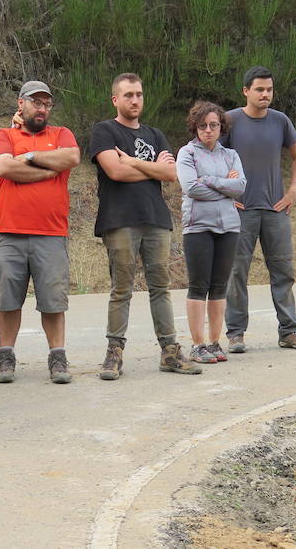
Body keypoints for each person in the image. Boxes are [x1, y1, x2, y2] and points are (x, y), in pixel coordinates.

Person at [89, 72, 199, 379]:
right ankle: (114, 353)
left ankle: (170, 351)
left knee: (160, 287)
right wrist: (154, 168)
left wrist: (134, 162)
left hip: (155, 219)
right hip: (119, 219)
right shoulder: (104, 131)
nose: (135, 100)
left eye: (138, 94)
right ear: (116, 99)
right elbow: (115, 172)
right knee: (121, 288)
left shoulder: (154, 134)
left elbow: (171, 174)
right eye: (128, 95)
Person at [0, 80, 80, 383]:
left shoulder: (61, 134)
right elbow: (3, 168)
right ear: (21, 104)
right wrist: (47, 171)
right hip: (10, 232)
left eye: (46, 103)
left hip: (51, 233)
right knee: (8, 300)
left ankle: (58, 358)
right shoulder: (4, 135)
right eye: (36, 102)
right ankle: (5, 358)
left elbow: (71, 158)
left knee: (53, 301)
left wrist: (27, 157)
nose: (42, 108)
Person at [222, 66, 296, 352]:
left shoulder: (280, 121)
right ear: (245, 91)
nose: (265, 94)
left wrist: (293, 191)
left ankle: (290, 331)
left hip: (276, 210)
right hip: (241, 210)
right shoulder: (230, 121)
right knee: (236, 273)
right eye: (259, 89)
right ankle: (235, 334)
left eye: (269, 89)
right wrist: (225, 194)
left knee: (283, 271)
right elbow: (210, 156)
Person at [176, 101, 246, 363]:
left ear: (221, 127)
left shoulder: (231, 155)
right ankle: (198, 345)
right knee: (198, 285)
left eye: (213, 125)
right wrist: (223, 188)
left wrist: (211, 180)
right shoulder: (187, 153)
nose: (208, 130)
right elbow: (191, 188)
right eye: (203, 125)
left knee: (219, 286)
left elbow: (240, 186)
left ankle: (215, 343)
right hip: (198, 227)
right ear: (195, 127)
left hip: (229, 226)